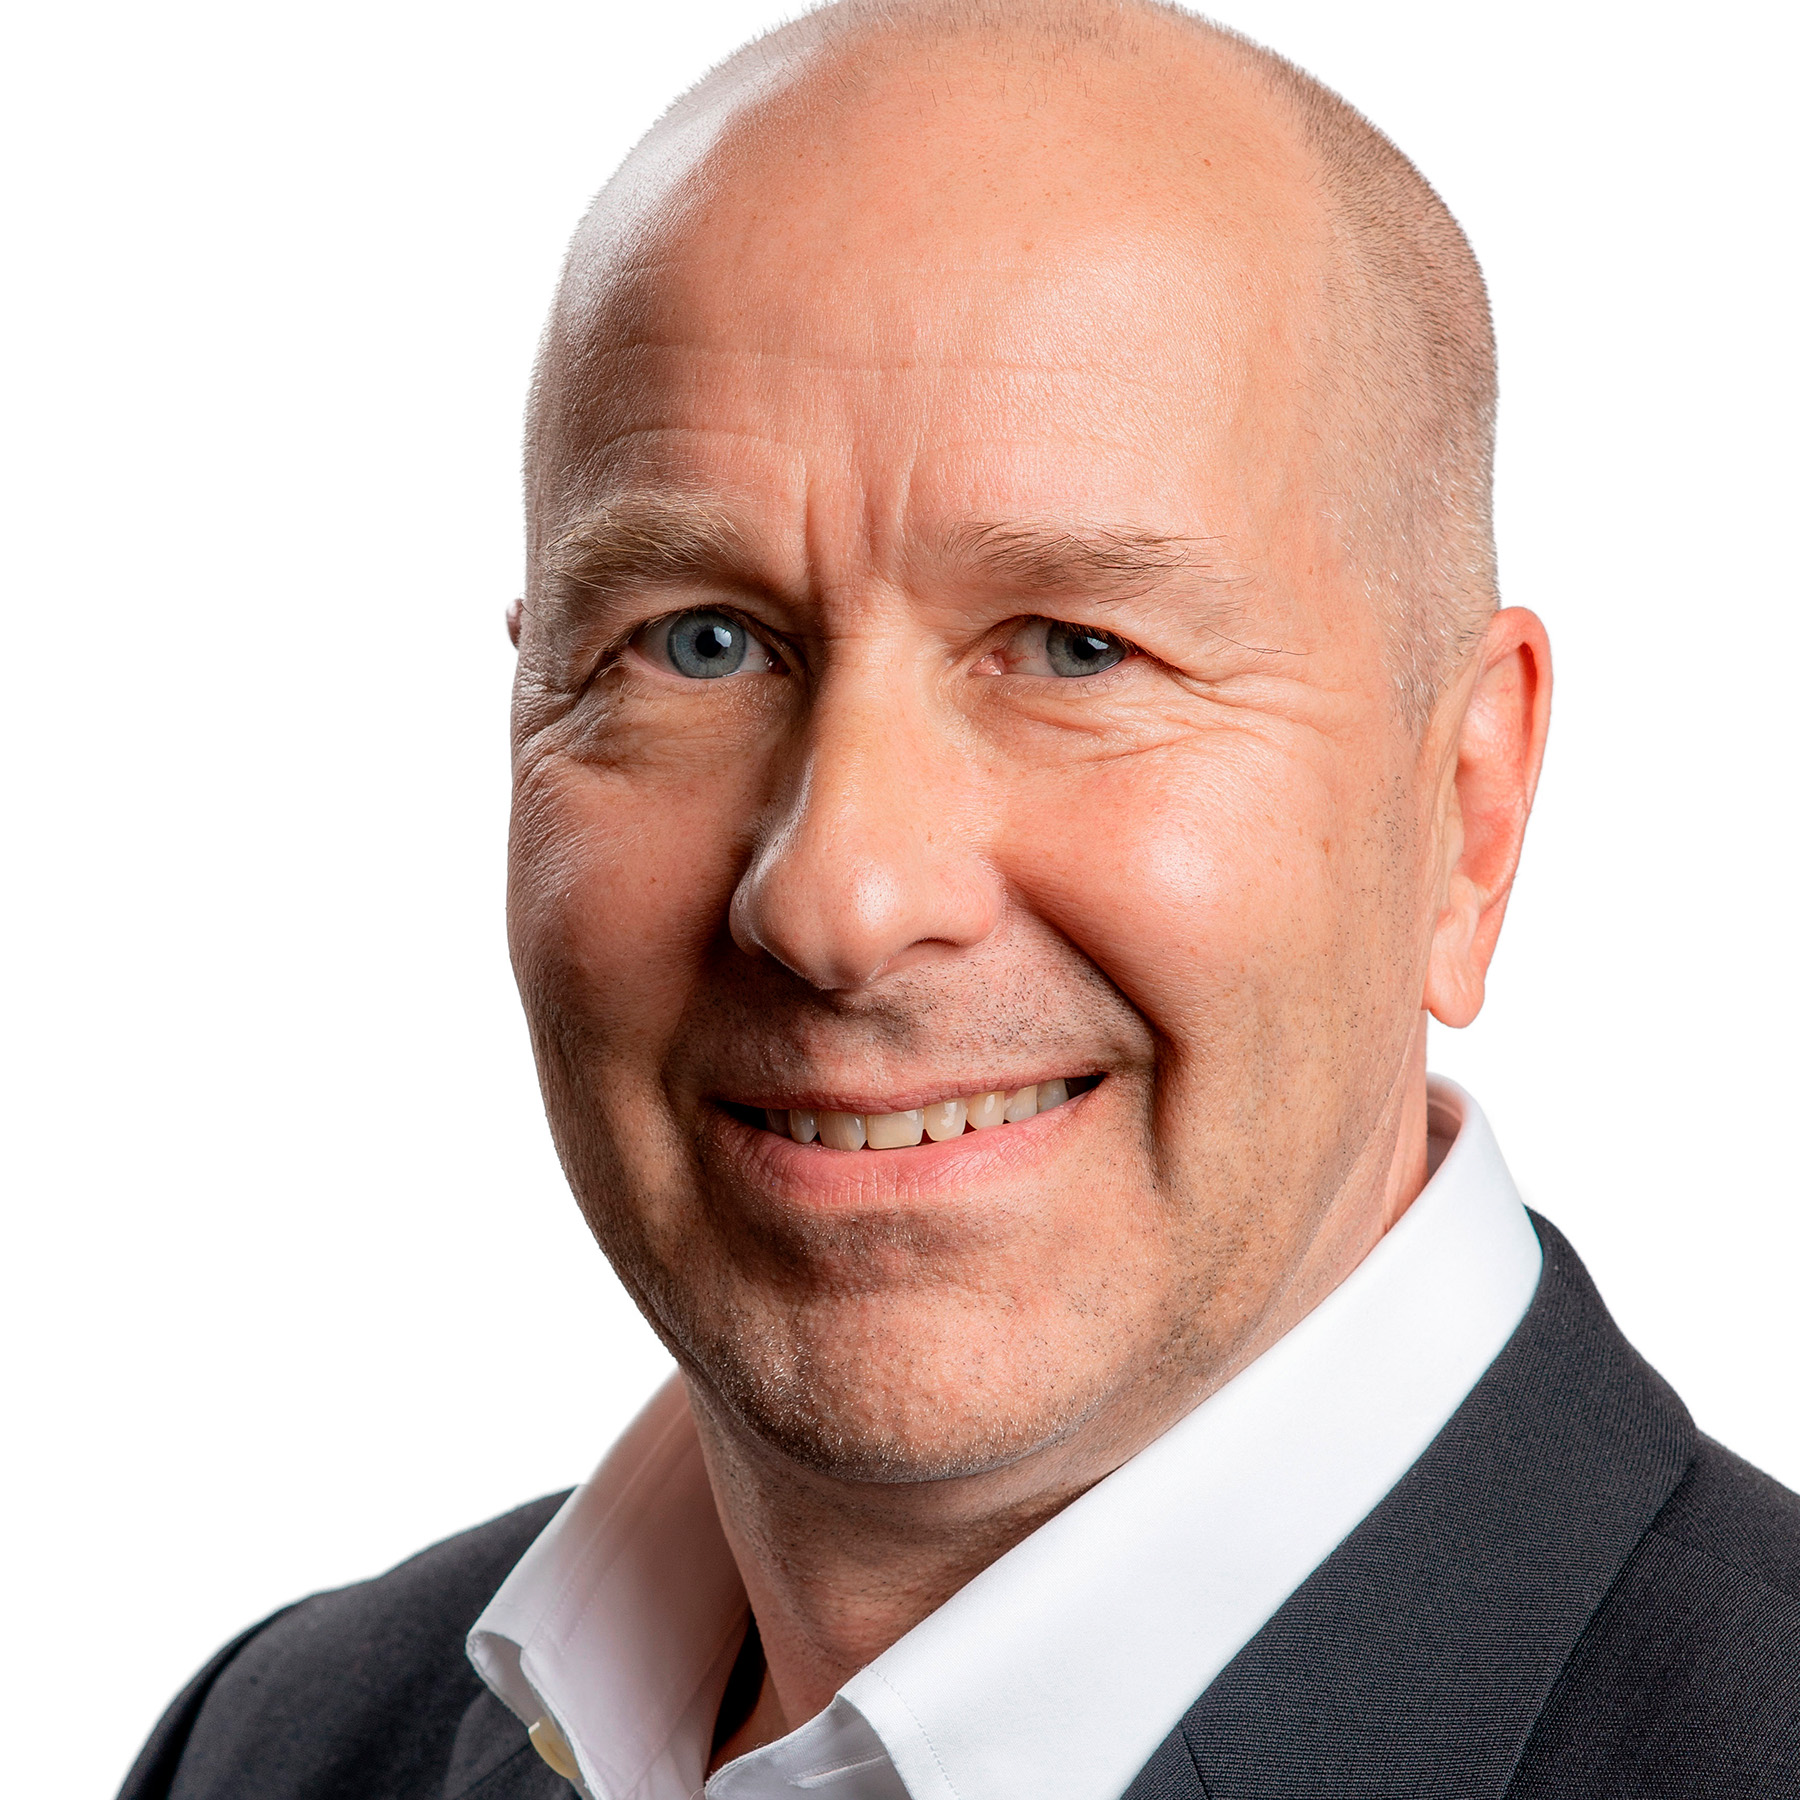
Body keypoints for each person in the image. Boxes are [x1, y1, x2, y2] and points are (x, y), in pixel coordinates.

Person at [119, 3, 1800, 1796]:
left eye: (1077, 648)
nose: (837, 897)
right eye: (699, 643)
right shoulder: (279, 1748)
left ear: (1469, 807)